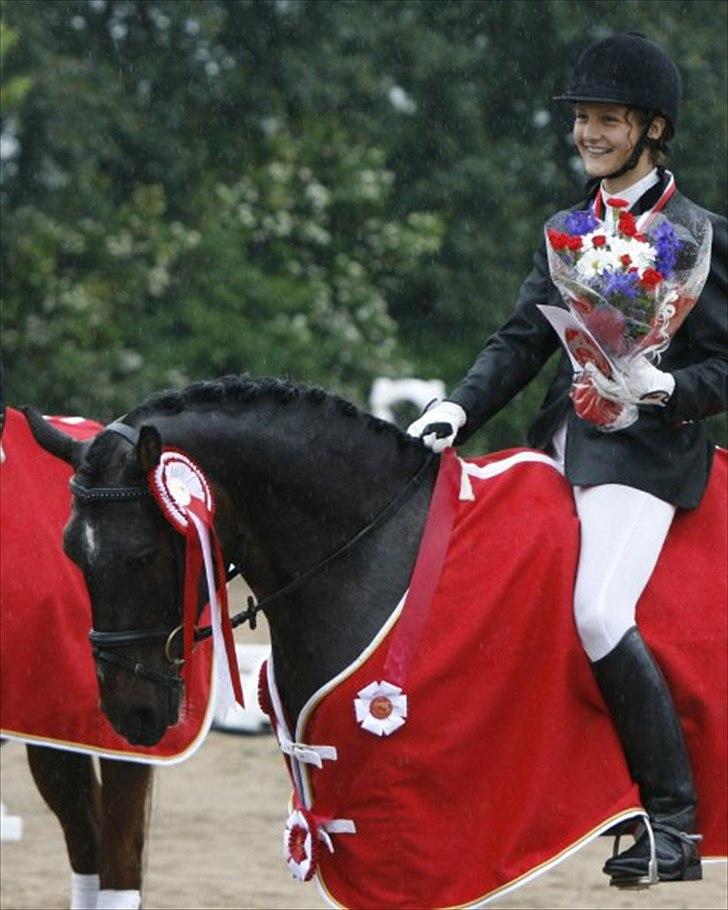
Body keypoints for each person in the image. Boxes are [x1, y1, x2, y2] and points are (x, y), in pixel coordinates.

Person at [407, 32, 727, 887]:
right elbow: (522, 339)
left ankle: (673, 826)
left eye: (607, 120)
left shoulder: (701, 236)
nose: (589, 133)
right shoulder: (569, 230)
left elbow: (725, 366)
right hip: (559, 439)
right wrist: (456, 405)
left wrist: (663, 386)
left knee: (595, 614)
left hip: (649, 455)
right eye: (583, 119)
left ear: (653, 129)